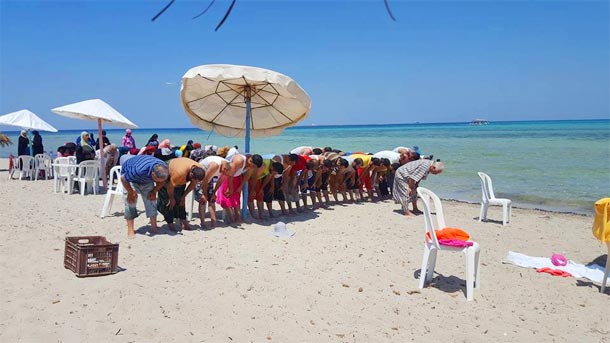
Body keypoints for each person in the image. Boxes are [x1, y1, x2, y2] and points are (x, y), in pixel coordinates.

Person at [120, 155, 169, 238]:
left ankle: (154, 227)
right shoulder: (138, 170)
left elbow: (162, 181)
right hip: (130, 179)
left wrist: (154, 191)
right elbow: (123, 178)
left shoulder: (164, 168)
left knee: (151, 200)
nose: (158, 182)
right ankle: (130, 230)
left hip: (146, 180)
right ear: (153, 174)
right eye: (157, 181)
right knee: (131, 202)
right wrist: (130, 192)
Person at [157, 157, 205, 231]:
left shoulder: (199, 170)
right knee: (168, 202)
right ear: (191, 174)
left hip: (180, 175)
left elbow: (193, 184)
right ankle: (170, 223)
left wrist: (183, 196)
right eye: (194, 180)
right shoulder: (180, 173)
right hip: (167, 172)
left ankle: (183, 222)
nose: (195, 181)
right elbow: (170, 186)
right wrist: (171, 198)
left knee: (181, 201)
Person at [196, 155, 231, 228]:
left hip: (209, 177)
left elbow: (220, 181)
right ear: (223, 167)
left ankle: (213, 221)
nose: (223, 173)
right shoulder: (215, 165)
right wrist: (204, 194)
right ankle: (203, 222)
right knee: (203, 200)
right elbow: (204, 181)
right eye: (223, 172)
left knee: (212, 199)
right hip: (199, 176)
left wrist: (214, 193)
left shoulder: (228, 167)